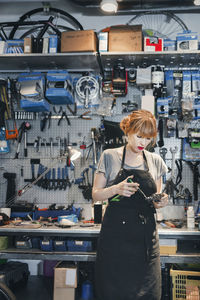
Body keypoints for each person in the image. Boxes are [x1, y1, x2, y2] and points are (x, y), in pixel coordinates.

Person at [92, 109, 168, 300]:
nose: (143, 143)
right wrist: (115, 189)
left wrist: (161, 201)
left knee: (148, 294)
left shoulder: (155, 161)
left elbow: (155, 200)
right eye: (139, 136)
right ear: (128, 131)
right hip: (116, 239)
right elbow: (95, 195)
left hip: (145, 242)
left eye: (148, 138)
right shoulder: (109, 156)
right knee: (112, 293)